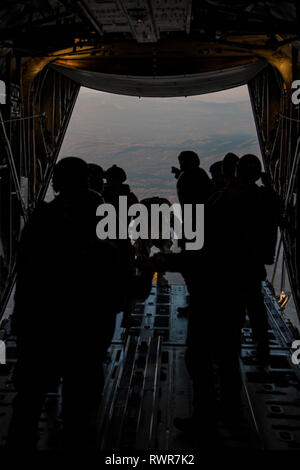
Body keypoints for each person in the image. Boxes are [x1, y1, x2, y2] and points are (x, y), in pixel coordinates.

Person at [8, 157, 154, 451]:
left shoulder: (42, 219)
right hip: (90, 324)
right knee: (80, 402)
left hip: (43, 323)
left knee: (29, 400)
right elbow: (124, 275)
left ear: (59, 183)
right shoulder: (106, 220)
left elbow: (26, 275)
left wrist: (22, 322)